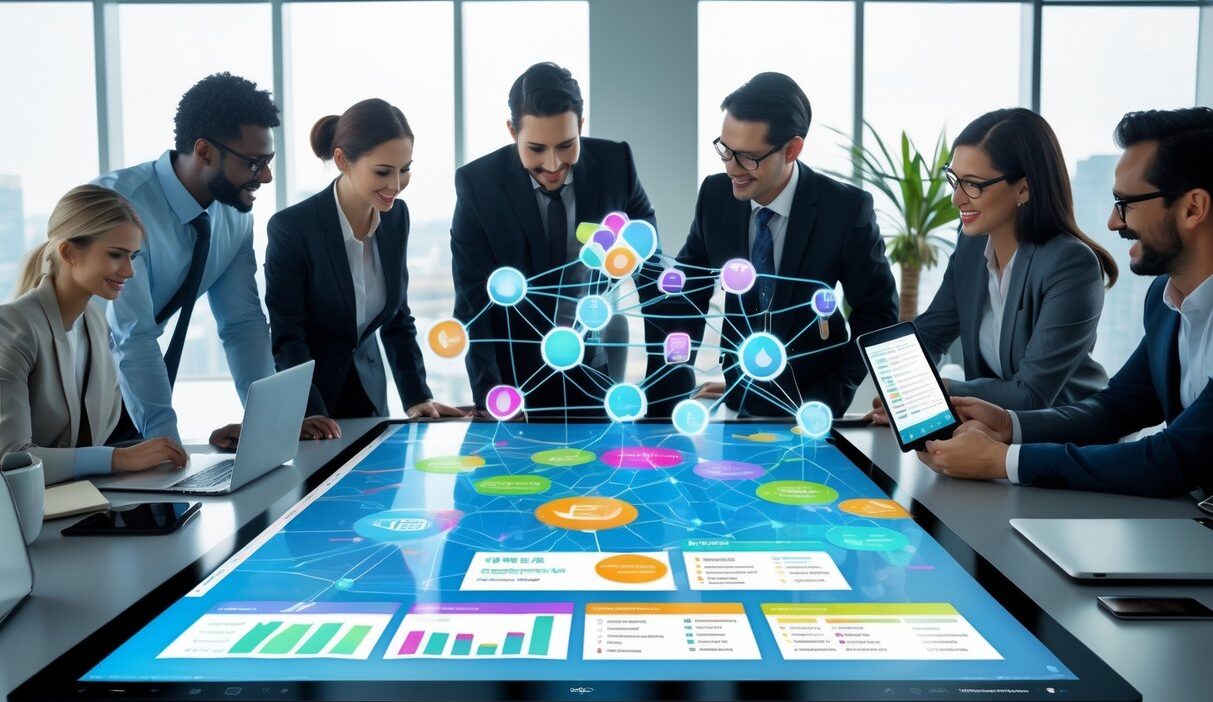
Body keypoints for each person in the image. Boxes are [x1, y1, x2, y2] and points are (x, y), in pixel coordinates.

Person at [917, 106, 1213, 498]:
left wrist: (1005, 461)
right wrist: (1007, 424)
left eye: (1126, 204)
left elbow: (1172, 458)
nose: (1112, 222)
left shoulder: (1068, 262)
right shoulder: (1165, 304)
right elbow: (1118, 408)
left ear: (1193, 208)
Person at [94, 72, 339, 447]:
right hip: (73, 389)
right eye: (255, 163)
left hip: (130, 387)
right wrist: (167, 444)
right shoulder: (120, 204)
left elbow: (241, 324)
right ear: (205, 152)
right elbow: (133, 335)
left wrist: (273, 424)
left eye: (269, 161)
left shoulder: (235, 217)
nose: (267, 176)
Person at [451, 62, 681, 416]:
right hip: (516, 381)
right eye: (537, 149)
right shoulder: (478, 186)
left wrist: (665, 391)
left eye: (566, 145)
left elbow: (651, 276)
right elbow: (473, 302)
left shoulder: (616, 164)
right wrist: (490, 396)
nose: (554, 164)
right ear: (512, 131)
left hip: (592, 372)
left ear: (582, 126)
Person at [869, 108, 1117, 425]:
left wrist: (938, 391)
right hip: (988, 434)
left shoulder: (1071, 264)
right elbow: (930, 336)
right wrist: (902, 387)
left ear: (1024, 189)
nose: (956, 199)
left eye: (973, 185)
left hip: (1065, 438)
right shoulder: (972, 247)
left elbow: (1030, 395)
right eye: (954, 180)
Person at [672, 72, 898, 417]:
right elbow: (688, 294)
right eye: (725, 150)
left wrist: (837, 392)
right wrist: (675, 381)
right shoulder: (714, 196)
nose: (732, 168)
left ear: (792, 149)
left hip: (815, 404)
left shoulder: (845, 209)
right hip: (739, 398)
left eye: (748, 157)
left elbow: (877, 312)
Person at [265, 99, 462, 419]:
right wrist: (308, 413)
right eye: (383, 171)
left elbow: (397, 318)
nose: (396, 185)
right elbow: (288, 338)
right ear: (342, 160)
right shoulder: (293, 228)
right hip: (311, 408)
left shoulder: (396, 217)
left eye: (405, 169)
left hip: (370, 401)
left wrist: (416, 397)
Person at [0, 186, 187, 485]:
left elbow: (89, 441)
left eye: (133, 257)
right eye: (116, 255)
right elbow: (11, 459)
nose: (129, 271)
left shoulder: (96, 323)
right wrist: (118, 459)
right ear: (68, 253)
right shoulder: (11, 327)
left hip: (82, 504)